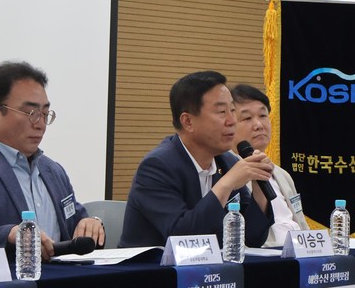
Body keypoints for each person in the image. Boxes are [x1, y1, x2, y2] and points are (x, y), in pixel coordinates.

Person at [0, 61, 104, 262]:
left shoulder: (52, 170)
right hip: (9, 279)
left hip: (63, 276)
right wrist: (11, 235)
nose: (41, 124)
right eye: (31, 113)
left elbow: (75, 221)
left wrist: (91, 223)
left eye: (45, 114)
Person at [119, 70, 274, 248]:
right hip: (153, 265)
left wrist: (259, 186)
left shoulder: (227, 162)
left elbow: (252, 238)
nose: (232, 121)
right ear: (188, 122)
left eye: (232, 110)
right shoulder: (157, 167)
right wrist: (227, 184)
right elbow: (184, 238)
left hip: (211, 265)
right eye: (222, 112)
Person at [231, 84, 309, 246]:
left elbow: (300, 221)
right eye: (247, 118)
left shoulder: (282, 174)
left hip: (301, 252)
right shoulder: (226, 172)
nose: (259, 125)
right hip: (265, 255)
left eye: (263, 115)